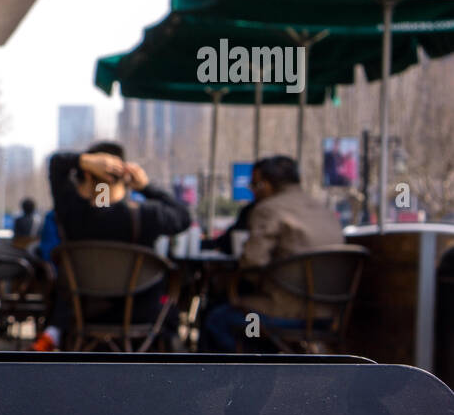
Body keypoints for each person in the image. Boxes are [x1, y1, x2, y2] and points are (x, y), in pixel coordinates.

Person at [31, 142, 191, 351]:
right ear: (126, 175)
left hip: (82, 312)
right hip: (138, 314)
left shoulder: (71, 213)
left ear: (87, 174)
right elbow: (184, 216)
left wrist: (84, 161)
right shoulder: (147, 215)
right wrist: (146, 187)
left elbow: (56, 164)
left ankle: (53, 335)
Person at [201, 155, 343, 352]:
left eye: (254, 184)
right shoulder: (325, 211)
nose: (252, 190)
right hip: (330, 314)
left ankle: (241, 378)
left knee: (216, 319)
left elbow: (251, 264)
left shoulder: (267, 210)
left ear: (266, 185)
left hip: (285, 314)